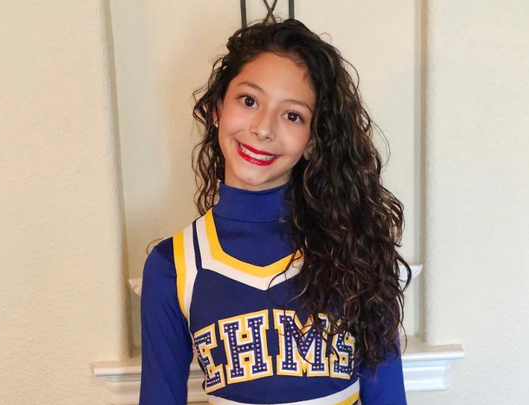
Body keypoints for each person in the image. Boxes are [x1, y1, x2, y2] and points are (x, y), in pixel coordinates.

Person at [139, 17, 412, 405]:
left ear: (314, 140)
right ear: (217, 109)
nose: (264, 128)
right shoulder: (174, 267)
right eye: (249, 101)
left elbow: (388, 397)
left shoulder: (357, 248)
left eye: (293, 115)